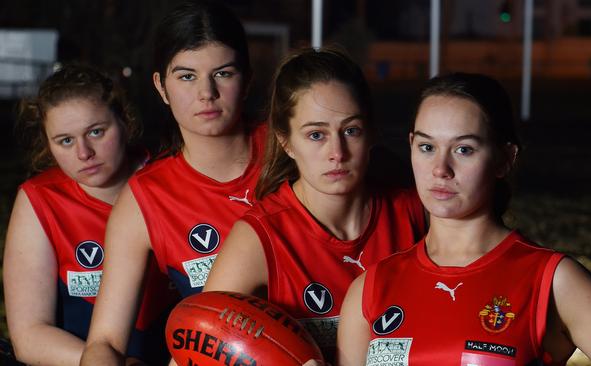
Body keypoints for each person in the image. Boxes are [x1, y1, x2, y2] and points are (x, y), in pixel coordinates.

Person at [336, 73, 591, 365]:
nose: (440, 169)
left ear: (504, 159)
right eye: (427, 146)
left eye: (464, 149)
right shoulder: (371, 288)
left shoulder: (552, 280)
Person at [202, 47, 427, 363]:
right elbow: (198, 349)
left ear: (371, 133)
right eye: (316, 135)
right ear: (286, 141)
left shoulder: (413, 212)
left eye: (351, 130)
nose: (338, 151)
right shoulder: (260, 237)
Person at [81, 0, 266, 364]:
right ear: (161, 87)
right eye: (186, 76)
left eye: (223, 73)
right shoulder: (146, 198)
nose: (206, 93)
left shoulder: (295, 150)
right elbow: (104, 342)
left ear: (247, 79)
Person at [3, 64, 176, 366]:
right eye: (66, 140)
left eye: (96, 132)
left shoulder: (170, 178)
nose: (84, 153)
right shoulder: (41, 199)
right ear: (48, 144)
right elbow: (29, 335)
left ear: (124, 120)